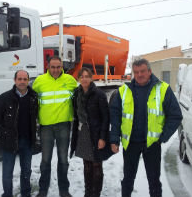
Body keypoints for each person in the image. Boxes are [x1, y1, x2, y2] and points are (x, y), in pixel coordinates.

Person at [110, 58, 182, 197]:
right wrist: (114, 139)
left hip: (152, 145)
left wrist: (163, 137)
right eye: (136, 72)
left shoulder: (163, 89)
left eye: (142, 71)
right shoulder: (124, 91)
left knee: (154, 181)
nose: (139, 75)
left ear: (149, 71)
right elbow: (115, 116)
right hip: (130, 144)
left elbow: (175, 116)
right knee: (127, 180)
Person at [32, 56, 77, 197]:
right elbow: (31, 101)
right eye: (53, 67)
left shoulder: (70, 81)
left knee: (63, 159)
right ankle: (43, 189)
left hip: (64, 125)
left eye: (58, 67)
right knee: (45, 160)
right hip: (46, 127)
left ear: (62, 66)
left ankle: (64, 189)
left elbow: (81, 97)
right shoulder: (39, 81)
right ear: (48, 66)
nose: (56, 70)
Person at [0, 70, 38, 197]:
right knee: (7, 173)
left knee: (26, 171)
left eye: (25, 79)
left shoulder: (33, 98)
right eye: (20, 79)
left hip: (27, 141)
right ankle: (7, 194)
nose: (22, 82)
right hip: (9, 142)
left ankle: (26, 194)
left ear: (28, 81)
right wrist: (6, 132)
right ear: (15, 80)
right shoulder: (4, 98)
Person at [70, 67, 113, 197]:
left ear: (91, 78)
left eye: (87, 76)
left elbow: (106, 118)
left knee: (96, 165)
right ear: (78, 78)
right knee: (86, 165)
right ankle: (88, 192)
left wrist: (102, 138)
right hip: (83, 133)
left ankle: (96, 194)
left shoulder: (99, 94)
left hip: (96, 134)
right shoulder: (76, 94)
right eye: (82, 76)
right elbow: (76, 115)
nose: (84, 79)